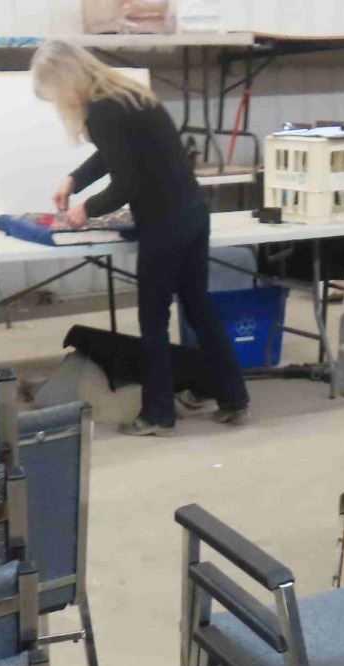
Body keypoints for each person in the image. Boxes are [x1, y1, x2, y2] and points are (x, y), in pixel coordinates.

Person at [32, 38, 250, 437]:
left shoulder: (102, 110)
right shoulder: (127, 95)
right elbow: (114, 155)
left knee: (153, 320)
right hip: (192, 212)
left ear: (65, 82)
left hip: (165, 223)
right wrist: (74, 180)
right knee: (199, 308)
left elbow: (126, 183)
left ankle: (157, 415)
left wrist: (86, 209)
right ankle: (234, 397)